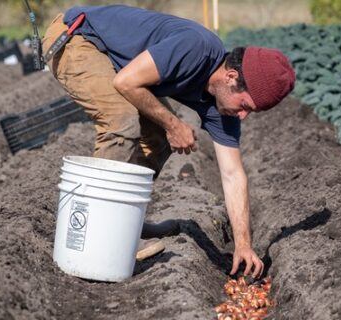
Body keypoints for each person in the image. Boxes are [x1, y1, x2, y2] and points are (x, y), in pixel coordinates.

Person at [42, 4, 295, 278]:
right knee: (122, 121)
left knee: (158, 136)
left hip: (115, 59)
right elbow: (126, 82)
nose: (243, 115)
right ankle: (103, 233)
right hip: (78, 37)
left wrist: (243, 245)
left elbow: (233, 174)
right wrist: (174, 124)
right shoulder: (195, 49)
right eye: (245, 105)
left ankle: (127, 223)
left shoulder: (224, 108)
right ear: (231, 78)